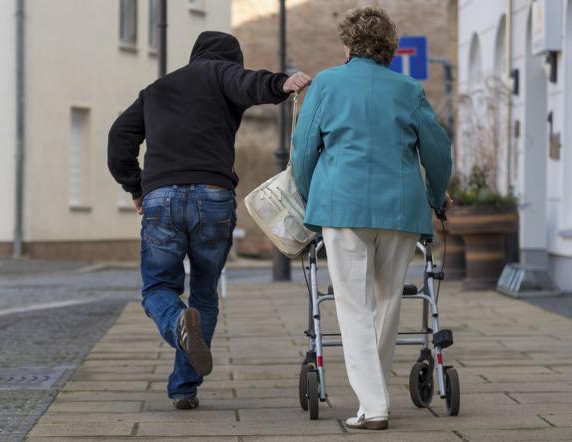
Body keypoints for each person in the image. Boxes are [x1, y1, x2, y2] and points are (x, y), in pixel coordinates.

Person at [108, 31, 310, 410]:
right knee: (204, 294)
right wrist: (281, 83)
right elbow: (247, 83)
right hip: (214, 198)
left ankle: (177, 328)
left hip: (162, 198)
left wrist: (134, 186)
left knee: (156, 289)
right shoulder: (222, 74)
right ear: (229, 60)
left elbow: (120, 136)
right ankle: (184, 386)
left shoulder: (156, 89)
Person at [291, 7, 452, 430]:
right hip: (400, 209)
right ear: (391, 49)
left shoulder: (326, 83)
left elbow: (304, 148)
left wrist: (311, 197)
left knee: (352, 305)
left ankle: (374, 405)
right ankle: (375, 396)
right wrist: (438, 197)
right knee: (387, 301)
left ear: (347, 46)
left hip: (342, 207)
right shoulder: (408, 88)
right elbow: (437, 151)